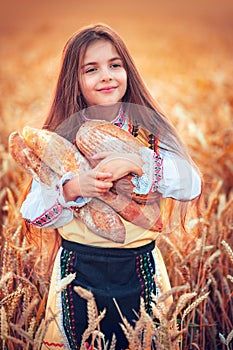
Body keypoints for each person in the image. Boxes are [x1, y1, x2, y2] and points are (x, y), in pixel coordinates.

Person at [20, 23, 202, 350]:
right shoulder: (58, 141)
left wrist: (140, 162)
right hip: (76, 270)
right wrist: (74, 187)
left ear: (127, 71)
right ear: (73, 82)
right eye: (91, 69)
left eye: (114, 65)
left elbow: (192, 183)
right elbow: (33, 212)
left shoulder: (150, 130)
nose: (106, 75)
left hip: (140, 266)